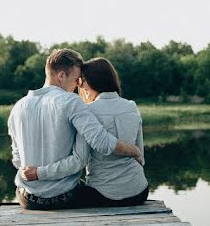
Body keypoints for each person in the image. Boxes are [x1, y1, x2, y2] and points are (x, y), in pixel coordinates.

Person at [8, 49, 143, 210]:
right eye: (76, 80)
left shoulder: (18, 106)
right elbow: (82, 158)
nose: (78, 86)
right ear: (62, 76)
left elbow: (17, 159)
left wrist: (35, 172)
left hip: (26, 197)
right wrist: (134, 150)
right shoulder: (71, 101)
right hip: (63, 197)